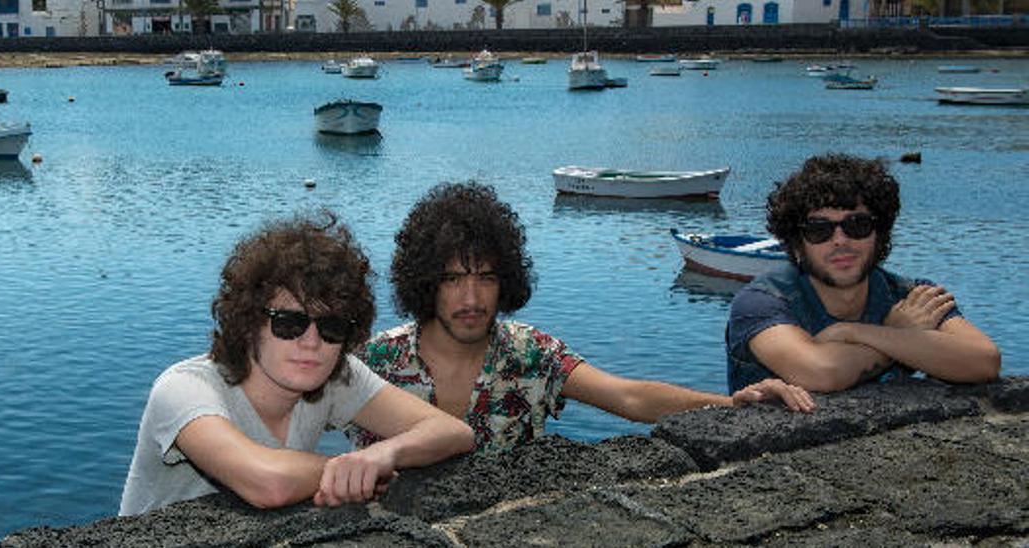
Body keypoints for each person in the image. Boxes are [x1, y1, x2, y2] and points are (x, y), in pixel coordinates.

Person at [346, 182, 815, 453]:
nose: (471, 296)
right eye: (452, 279)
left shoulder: (532, 354)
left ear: (506, 278)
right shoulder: (374, 362)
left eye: (485, 277)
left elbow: (629, 397)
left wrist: (735, 405)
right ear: (426, 282)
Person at [120, 212, 474, 516]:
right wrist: (346, 471)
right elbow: (267, 482)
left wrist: (382, 455)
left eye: (332, 327)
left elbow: (454, 433)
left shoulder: (334, 374)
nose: (311, 342)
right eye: (288, 323)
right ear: (248, 322)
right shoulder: (185, 389)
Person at [726, 153, 1000, 393]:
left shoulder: (910, 296)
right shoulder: (762, 303)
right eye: (819, 229)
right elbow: (820, 372)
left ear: (879, 235)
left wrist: (852, 332)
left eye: (857, 225)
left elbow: (983, 361)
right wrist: (898, 332)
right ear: (797, 243)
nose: (840, 241)